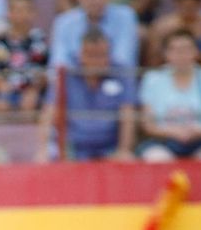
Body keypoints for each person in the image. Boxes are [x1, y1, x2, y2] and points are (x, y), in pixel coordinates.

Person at [37, 29, 136, 160]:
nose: (96, 61)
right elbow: (48, 114)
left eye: (101, 55)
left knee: (128, 160)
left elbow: (128, 115)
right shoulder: (66, 75)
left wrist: (123, 149)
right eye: (91, 55)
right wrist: (43, 148)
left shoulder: (121, 74)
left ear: (109, 55)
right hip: (71, 148)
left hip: (109, 148)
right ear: (81, 55)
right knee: (45, 158)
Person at [136, 29, 201, 160]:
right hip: (164, 141)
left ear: (196, 52)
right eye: (175, 50)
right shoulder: (153, 79)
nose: (181, 54)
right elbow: (148, 126)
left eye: (186, 49)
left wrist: (199, 131)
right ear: (165, 54)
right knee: (156, 157)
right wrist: (173, 132)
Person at [51, 0, 141, 71]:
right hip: (75, 81)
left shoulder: (126, 17)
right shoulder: (64, 22)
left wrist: (89, 63)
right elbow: (58, 63)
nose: (95, 2)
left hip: (114, 79)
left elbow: (124, 60)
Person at [0, 0, 49, 113]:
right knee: (0, 105)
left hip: (32, 91)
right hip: (6, 91)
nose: (22, 15)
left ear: (33, 13)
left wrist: (34, 90)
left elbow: (45, 71)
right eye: (18, 10)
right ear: (9, 13)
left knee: (32, 104)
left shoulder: (40, 40)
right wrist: (3, 88)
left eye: (27, 10)